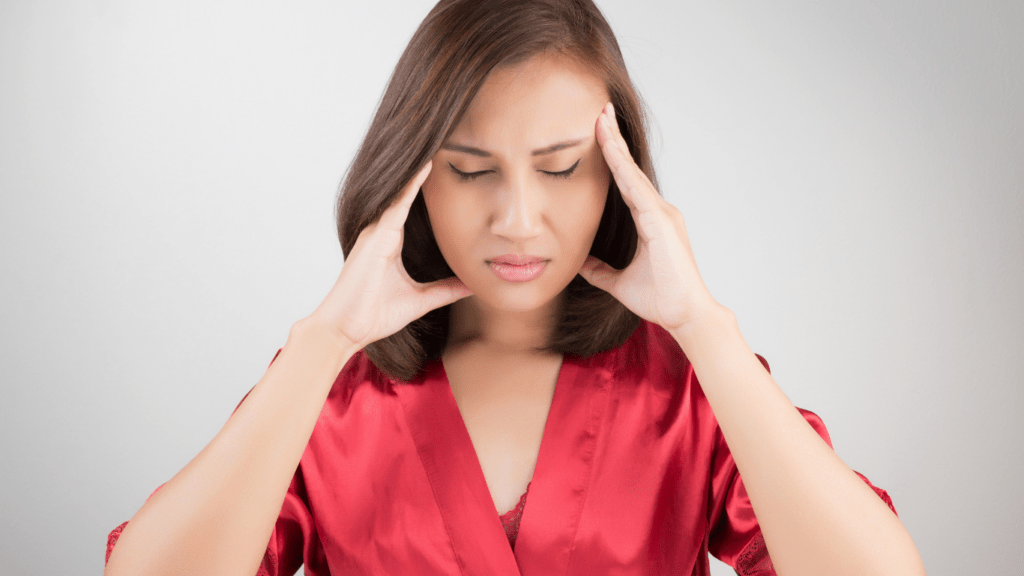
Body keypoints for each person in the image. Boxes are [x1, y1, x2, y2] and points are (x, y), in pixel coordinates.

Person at [103, 0, 924, 575]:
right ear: (413, 177)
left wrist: (704, 326)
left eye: (562, 168)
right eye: (469, 171)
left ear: (620, 174)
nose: (519, 220)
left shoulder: (687, 387)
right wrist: (322, 342)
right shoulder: (328, 394)